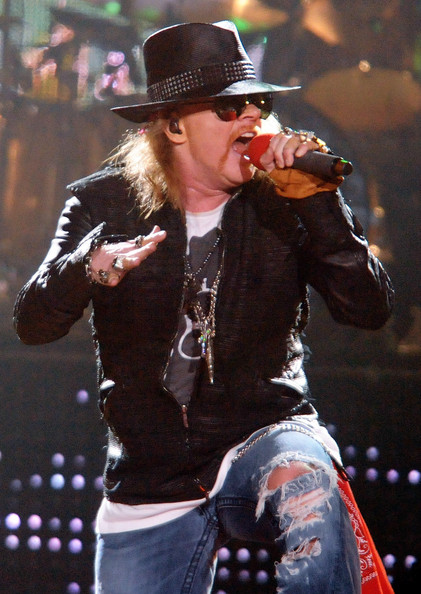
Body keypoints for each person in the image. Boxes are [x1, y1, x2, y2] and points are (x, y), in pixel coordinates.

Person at [14, 21, 395, 594]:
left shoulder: (286, 199)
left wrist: (319, 205)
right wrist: (90, 267)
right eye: (228, 109)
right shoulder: (103, 203)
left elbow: (369, 309)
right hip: (152, 470)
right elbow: (32, 322)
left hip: (263, 431)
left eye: (258, 106)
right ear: (173, 125)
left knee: (307, 485)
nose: (252, 119)